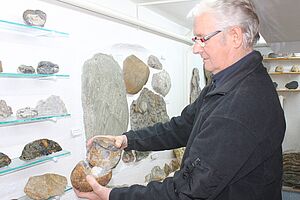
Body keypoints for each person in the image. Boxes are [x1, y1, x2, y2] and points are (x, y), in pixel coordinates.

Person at [75, 0, 286, 199]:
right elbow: (182, 127)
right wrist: (127, 140)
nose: (195, 48)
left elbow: (188, 191)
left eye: (203, 38)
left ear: (234, 36)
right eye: (195, 39)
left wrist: (113, 196)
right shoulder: (224, 83)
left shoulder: (242, 104)